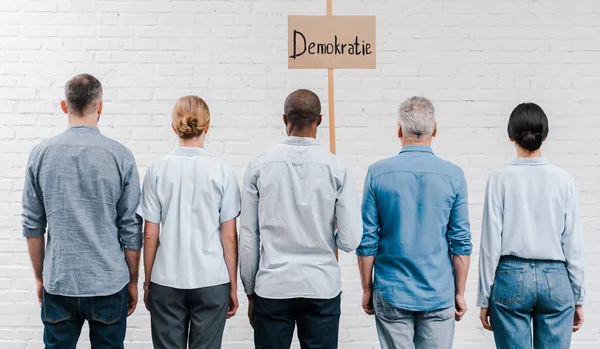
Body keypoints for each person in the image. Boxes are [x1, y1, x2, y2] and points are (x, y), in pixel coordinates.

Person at [21, 74, 142, 348]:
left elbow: (32, 225)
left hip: (60, 280)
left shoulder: (41, 154)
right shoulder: (120, 156)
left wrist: (40, 277)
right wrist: (133, 281)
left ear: (65, 106)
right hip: (109, 283)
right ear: (100, 106)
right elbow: (131, 229)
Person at [239, 89, 363, 349]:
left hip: (272, 286)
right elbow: (351, 241)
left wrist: (251, 292)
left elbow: (249, 237)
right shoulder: (337, 168)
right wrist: (333, 229)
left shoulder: (259, 166)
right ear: (319, 120)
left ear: (285, 118)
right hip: (321, 286)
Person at [356, 96, 472, 349]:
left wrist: (367, 289)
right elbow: (461, 243)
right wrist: (459, 292)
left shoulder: (378, 173)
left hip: (391, 290)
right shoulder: (453, 175)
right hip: (438, 292)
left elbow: (367, 240)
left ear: (399, 129)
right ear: (435, 129)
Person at [477, 103, 586, 348]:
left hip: (510, 277)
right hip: (556, 280)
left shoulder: (498, 179)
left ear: (510, 136)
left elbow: (490, 244)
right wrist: (578, 297)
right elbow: (574, 244)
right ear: (544, 135)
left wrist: (484, 298)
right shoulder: (564, 181)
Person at [139, 96, 240, 349]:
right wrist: (233, 285)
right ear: (208, 126)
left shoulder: (157, 170)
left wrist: (148, 282)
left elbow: (150, 234)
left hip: (166, 280)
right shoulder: (223, 172)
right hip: (212, 280)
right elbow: (229, 236)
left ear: (174, 127)